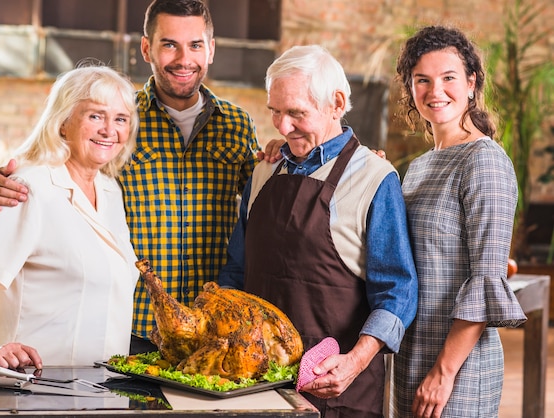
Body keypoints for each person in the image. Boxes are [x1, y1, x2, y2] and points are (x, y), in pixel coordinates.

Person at [0, 0, 267, 354]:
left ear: (211, 50)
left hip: (211, 329)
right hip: (133, 329)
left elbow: (264, 205)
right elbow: (55, 154)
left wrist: (292, 151)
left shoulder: (237, 125)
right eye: (169, 44)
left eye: (195, 45)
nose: (183, 58)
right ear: (147, 48)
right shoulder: (119, 118)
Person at [218, 44, 418, 418]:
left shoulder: (374, 178)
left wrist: (355, 362)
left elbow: (397, 292)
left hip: (336, 390)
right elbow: (235, 271)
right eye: (274, 112)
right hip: (254, 385)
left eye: (296, 113)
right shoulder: (263, 171)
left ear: (337, 103)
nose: (281, 126)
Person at [0, 64, 140, 369]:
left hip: (100, 390)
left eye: (120, 119)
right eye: (95, 115)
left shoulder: (109, 190)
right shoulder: (31, 185)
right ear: (63, 124)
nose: (109, 130)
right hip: (33, 390)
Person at [391, 26, 526, 418]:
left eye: (448, 78)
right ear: (411, 89)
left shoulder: (484, 161)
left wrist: (444, 372)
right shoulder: (417, 167)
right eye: (423, 80)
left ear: (471, 83)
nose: (436, 91)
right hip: (412, 355)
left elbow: (486, 279)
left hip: (458, 368)